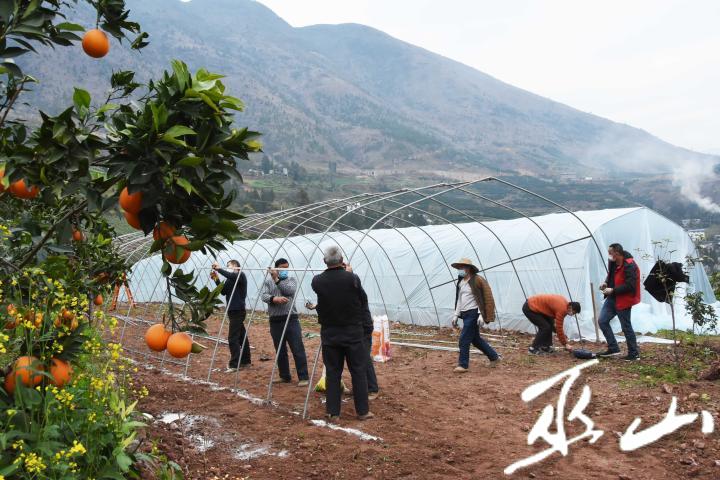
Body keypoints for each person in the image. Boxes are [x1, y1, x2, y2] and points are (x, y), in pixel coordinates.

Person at [311, 245, 373, 420]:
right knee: (358, 371)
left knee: (333, 372)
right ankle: (362, 411)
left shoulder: (317, 281)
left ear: (324, 261)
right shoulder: (352, 278)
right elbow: (361, 301)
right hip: (353, 333)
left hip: (330, 334)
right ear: (342, 260)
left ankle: (333, 412)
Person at [261, 258, 310, 387]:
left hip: (291, 319)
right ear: (276, 268)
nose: (285, 270)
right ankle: (284, 376)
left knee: (297, 348)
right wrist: (274, 299)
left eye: (287, 267)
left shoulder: (291, 280)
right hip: (275, 320)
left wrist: (277, 279)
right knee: (280, 350)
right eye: (282, 267)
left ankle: (303, 376)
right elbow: (264, 296)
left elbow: (289, 291)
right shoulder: (267, 282)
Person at [451, 258, 500, 372]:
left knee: (464, 339)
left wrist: (481, 315)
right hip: (465, 314)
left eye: (461, 267)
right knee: (475, 339)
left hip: (474, 313)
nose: (459, 270)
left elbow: (482, 298)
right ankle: (494, 357)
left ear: (468, 268)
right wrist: (456, 315)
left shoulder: (477, 280)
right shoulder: (461, 282)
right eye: (459, 268)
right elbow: (460, 299)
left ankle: (463, 365)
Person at [596, 243, 642, 361]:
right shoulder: (613, 262)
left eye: (610, 252)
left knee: (625, 326)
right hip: (613, 298)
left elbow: (630, 286)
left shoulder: (630, 265)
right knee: (602, 321)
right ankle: (613, 348)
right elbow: (611, 276)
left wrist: (613, 289)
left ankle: (633, 353)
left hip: (624, 299)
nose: (609, 255)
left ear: (617, 253)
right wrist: (606, 283)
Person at [211, 260, 250, 372]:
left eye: (229, 266)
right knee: (242, 336)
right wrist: (216, 278)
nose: (227, 268)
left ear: (236, 266)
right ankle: (246, 361)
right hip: (232, 310)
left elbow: (231, 275)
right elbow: (223, 291)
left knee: (233, 338)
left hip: (238, 310)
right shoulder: (230, 279)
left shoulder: (240, 275)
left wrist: (219, 269)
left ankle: (234, 364)